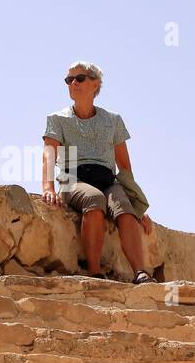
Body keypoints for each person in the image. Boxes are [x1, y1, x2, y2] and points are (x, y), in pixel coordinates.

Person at [41, 61, 154, 283]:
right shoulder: (57, 119)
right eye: (69, 80)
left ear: (95, 84)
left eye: (79, 78)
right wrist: (48, 188)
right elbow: (49, 154)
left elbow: (125, 166)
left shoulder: (113, 120)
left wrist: (136, 203)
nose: (73, 83)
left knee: (125, 211)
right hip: (71, 177)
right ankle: (94, 271)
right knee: (94, 199)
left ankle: (141, 273)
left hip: (107, 179)